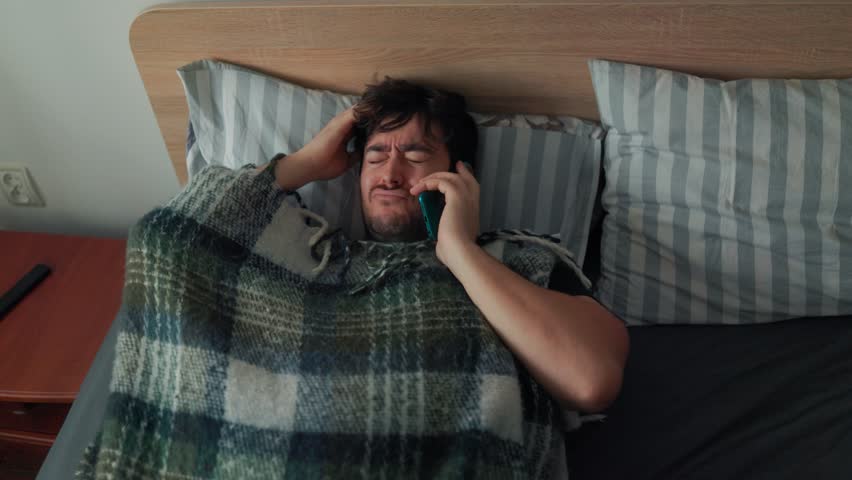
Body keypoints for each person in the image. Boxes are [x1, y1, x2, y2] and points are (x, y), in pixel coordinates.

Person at [264, 78, 629, 413]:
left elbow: (590, 380)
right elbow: (207, 229)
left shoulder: (519, 260)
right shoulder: (315, 252)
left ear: (458, 175)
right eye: (375, 158)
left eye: (416, 157)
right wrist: (303, 164)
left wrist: (458, 250)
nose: (390, 175)